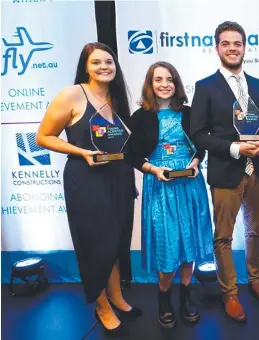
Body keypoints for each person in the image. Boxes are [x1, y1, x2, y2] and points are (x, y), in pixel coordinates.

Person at [36, 42, 140, 337]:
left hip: (118, 177)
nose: (105, 67)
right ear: (86, 67)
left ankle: (117, 297)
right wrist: (80, 151)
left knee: (117, 241)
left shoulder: (118, 99)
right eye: (97, 63)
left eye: (109, 62)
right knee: (96, 244)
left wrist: (130, 179)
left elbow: (122, 146)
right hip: (86, 178)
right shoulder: (72, 94)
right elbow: (43, 136)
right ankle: (102, 305)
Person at [190, 21, 259, 323]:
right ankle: (230, 293)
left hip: (258, 170)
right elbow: (198, 134)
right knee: (223, 237)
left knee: (256, 230)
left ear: (244, 47)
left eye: (237, 43)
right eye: (226, 43)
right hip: (226, 170)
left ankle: (256, 281)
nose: (232, 48)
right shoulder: (205, 87)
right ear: (217, 48)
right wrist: (236, 148)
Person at [128, 61, 214, 328]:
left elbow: (201, 144)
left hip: (189, 185)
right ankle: (164, 297)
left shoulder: (189, 113)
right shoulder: (140, 116)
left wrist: (196, 162)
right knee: (168, 244)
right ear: (150, 84)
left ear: (177, 84)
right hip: (160, 185)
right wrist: (153, 169)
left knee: (189, 246)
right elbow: (130, 154)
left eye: (169, 79)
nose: (164, 84)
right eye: (158, 80)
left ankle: (187, 295)